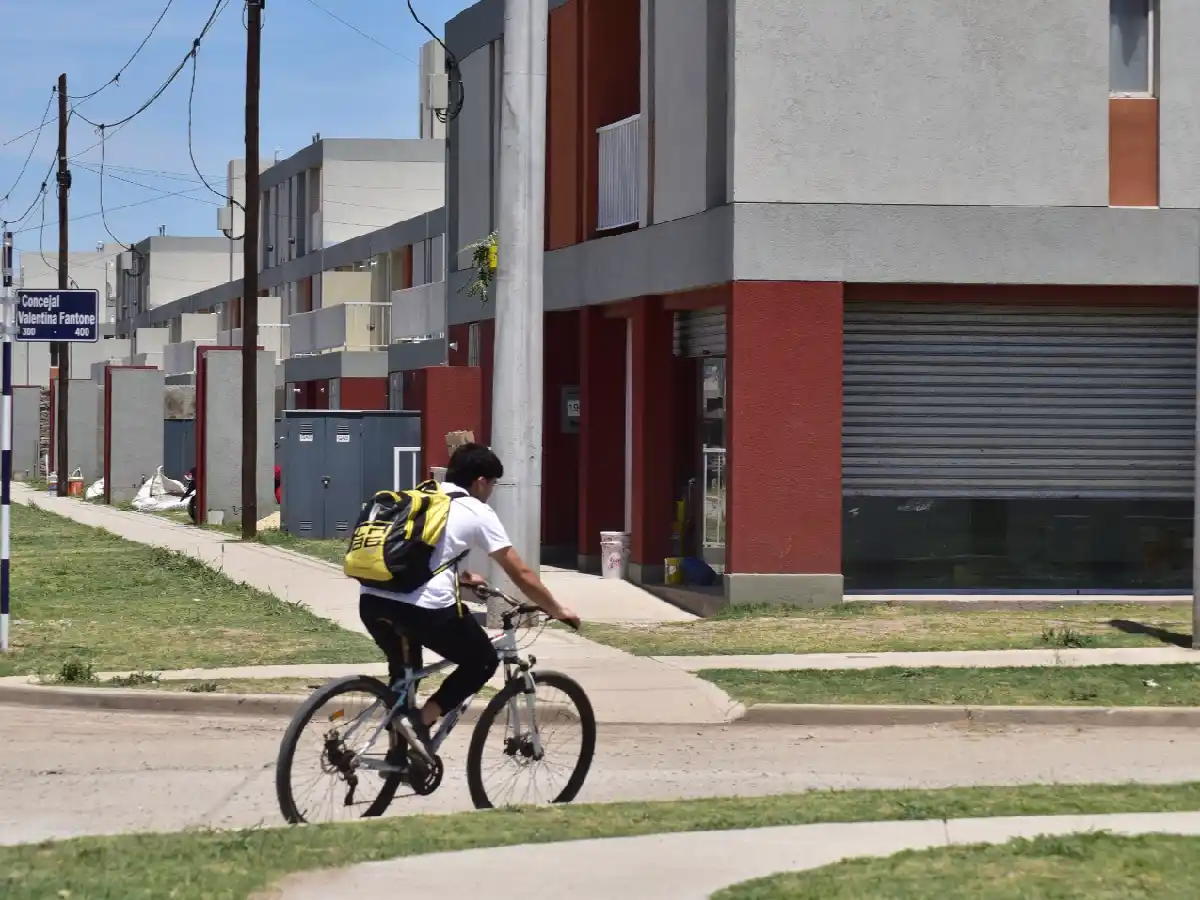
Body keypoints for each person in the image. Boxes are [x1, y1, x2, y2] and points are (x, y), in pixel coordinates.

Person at [358, 442, 581, 759]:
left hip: (372, 600)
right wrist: (556, 609)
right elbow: (520, 572)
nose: (491, 492)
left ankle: (399, 755)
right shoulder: (476, 510)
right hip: (422, 610)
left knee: (405, 671)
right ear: (480, 482)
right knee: (482, 660)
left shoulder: (423, 495)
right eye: (493, 484)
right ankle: (421, 722)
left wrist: (461, 578)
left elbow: (420, 555)